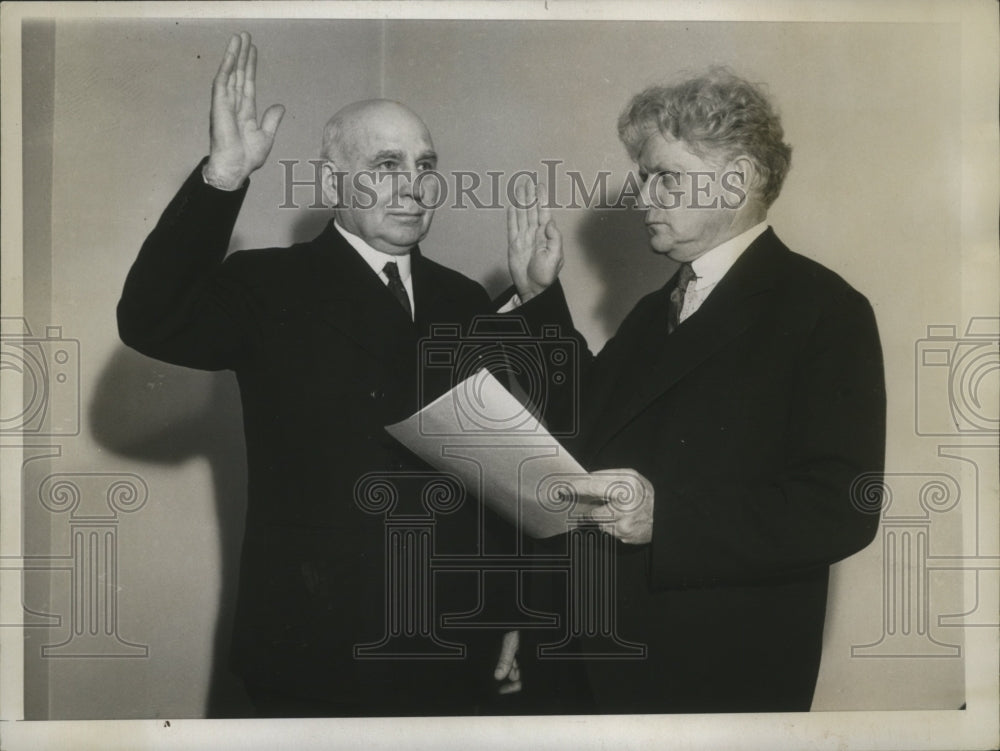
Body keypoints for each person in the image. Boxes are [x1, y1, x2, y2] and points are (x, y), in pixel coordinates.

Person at [117, 32, 520, 717]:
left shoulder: (465, 300)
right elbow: (150, 318)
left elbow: (500, 473)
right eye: (385, 164)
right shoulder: (267, 285)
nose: (412, 185)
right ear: (333, 181)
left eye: (425, 165)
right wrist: (223, 177)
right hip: (317, 649)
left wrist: (511, 607)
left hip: (455, 642)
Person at [506, 67, 886, 713]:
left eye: (664, 176)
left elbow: (841, 506)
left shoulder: (824, 308)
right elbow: (593, 423)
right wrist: (542, 299)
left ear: (735, 181)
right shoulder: (661, 307)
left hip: (710, 677)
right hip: (588, 659)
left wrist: (668, 518)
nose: (643, 195)